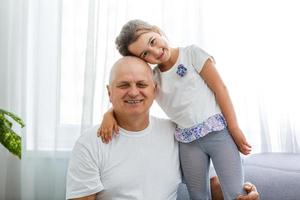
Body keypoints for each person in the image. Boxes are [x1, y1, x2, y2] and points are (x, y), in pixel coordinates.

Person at [98, 19, 252, 200]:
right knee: (198, 196)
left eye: (153, 41)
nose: (155, 51)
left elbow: (220, 89)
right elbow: (136, 99)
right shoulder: (153, 79)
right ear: (143, 60)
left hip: (219, 133)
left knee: (236, 194)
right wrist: (109, 114)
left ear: (156, 30)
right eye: (146, 53)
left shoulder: (192, 54)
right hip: (188, 144)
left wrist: (234, 128)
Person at [66, 56, 259, 200]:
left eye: (141, 84)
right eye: (124, 85)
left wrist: (243, 194)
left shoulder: (180, 133)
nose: (133, 91)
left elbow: (215, 185)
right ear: (109, 92)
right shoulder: (90, 143)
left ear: (155, 90)